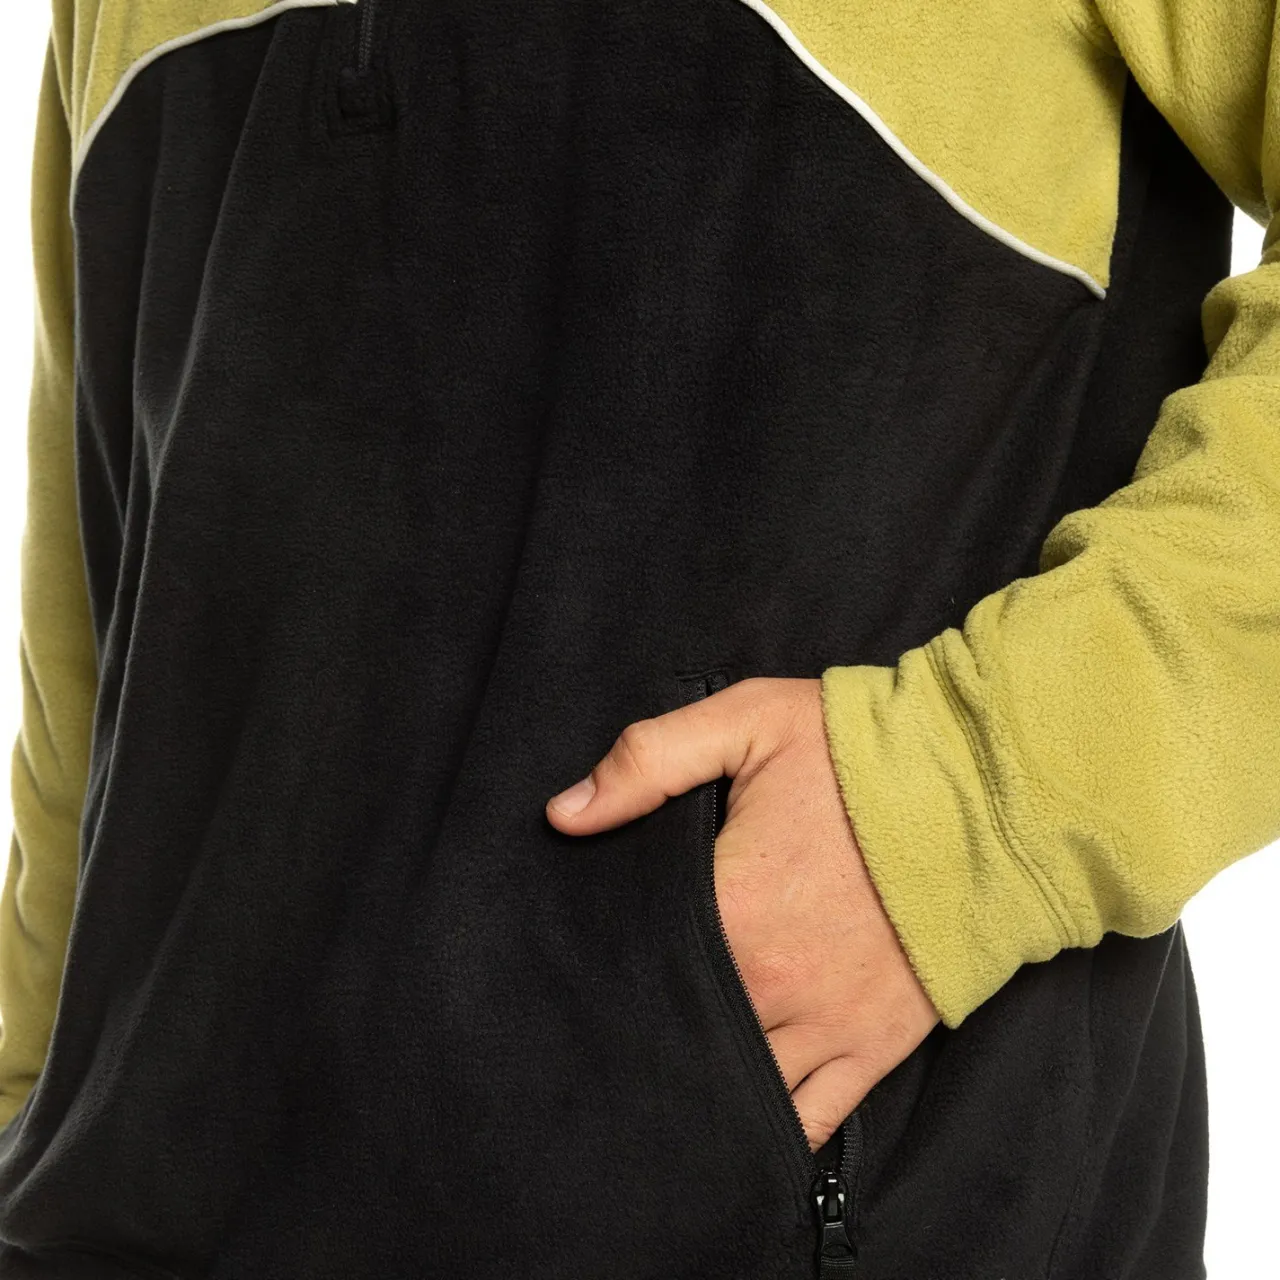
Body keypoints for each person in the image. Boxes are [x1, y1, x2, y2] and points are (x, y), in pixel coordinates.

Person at [0, 0, 1277, 1275]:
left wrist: (963, 806)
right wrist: (25, 1101)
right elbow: (100, 604)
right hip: (132, 1219)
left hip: (801, 1207)